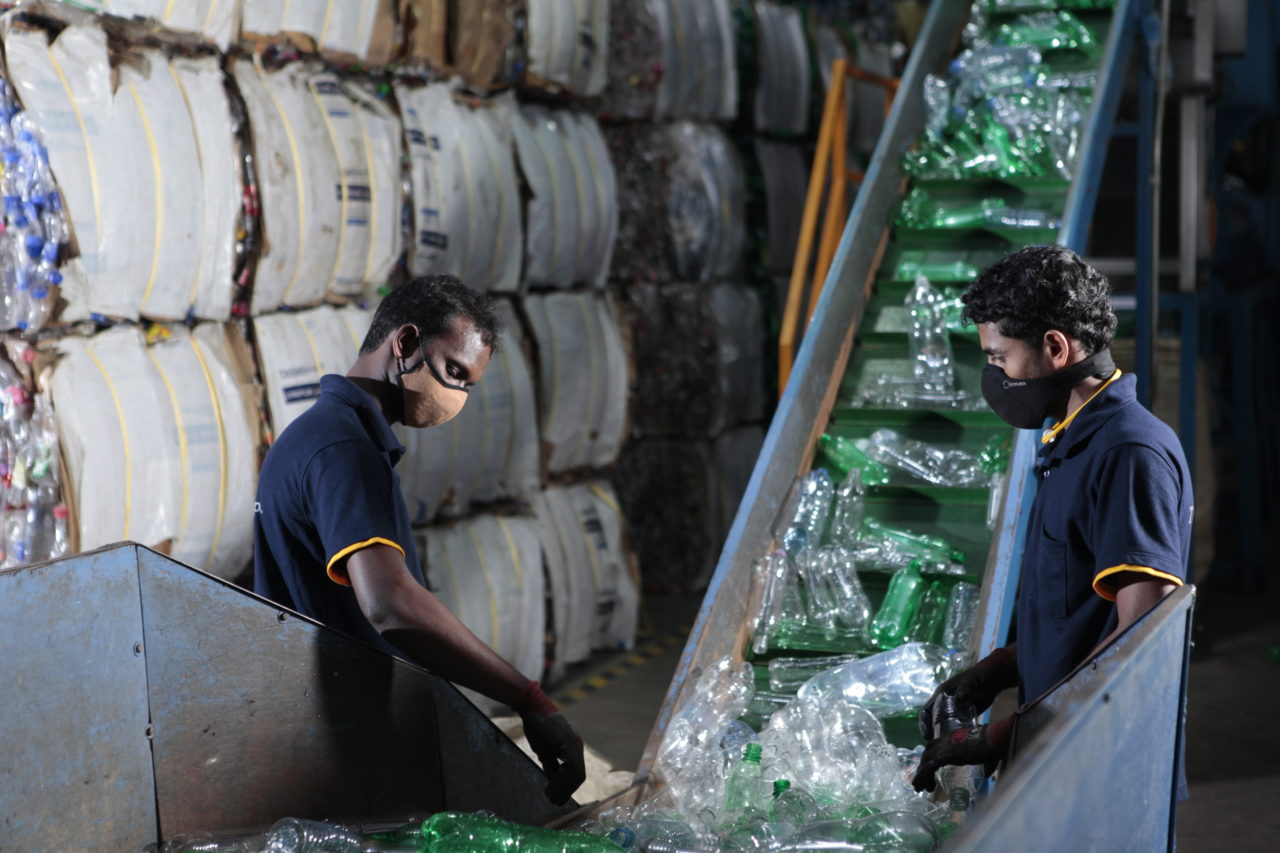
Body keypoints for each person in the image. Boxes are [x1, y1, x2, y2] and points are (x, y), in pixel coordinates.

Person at [254, 274, 585, 804]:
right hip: (340, 746)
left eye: (469, 385)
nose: (456, 396)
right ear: (405, 344)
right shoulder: (343, 450)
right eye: (454, 371)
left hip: (331, 732)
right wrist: (528, 697)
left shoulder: (322, 435)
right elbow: (389, 604)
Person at [911, 246, 1193, 792]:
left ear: (1056, 347)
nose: (994, 375)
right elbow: (1080, 615)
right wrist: (992, 674)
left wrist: (1004, 736)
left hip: (1106, 768)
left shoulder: (1128, 453)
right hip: (1061, 754)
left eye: (999, 359)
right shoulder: (1071, 443)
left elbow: (1138, 642)